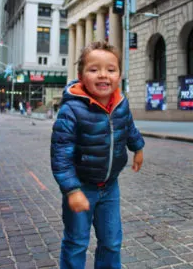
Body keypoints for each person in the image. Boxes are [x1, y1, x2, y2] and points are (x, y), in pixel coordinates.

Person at [51, 41, 145, 269]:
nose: (103, 75)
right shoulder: (71, 110)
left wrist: (138, 148)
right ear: (81, 75)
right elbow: (61, 156)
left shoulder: (121, 103)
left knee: (112, 242)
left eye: (111, 70)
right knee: (76, 242)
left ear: (119, 75)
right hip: (81, 187)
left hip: (110, 186)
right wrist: (72, 190)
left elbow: (128, 128)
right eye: (94, 69)